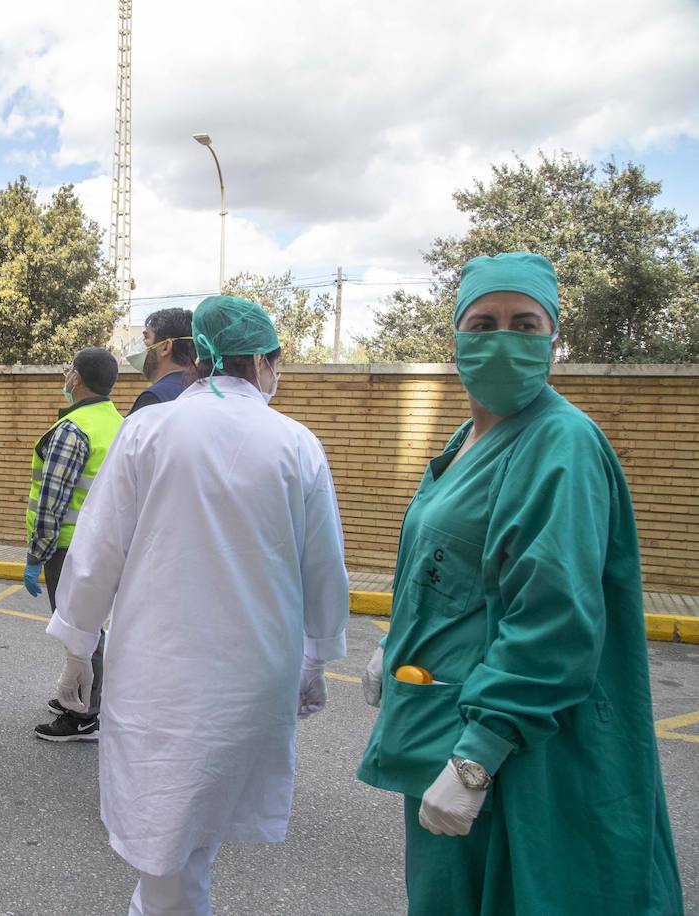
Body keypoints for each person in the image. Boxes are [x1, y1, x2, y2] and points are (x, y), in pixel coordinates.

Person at [356, 253, 683, 915]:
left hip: (515, 756)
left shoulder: (559, 443)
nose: (503, 337)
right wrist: (399, 643)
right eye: (483, 322)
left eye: (525, 323)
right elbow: (458, 570)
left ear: (552, 338)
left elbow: (555, 618)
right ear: (455, 337)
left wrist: (478, 757)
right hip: (440, 727)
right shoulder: (468, 440)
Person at [46, 296, 349, 916]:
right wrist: (316, 655)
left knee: (169, 829)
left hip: (160, 674)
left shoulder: (151, 431)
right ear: (264, 361)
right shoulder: (296, 444)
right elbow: (325, 568)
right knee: (190, 835)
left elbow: (96, 550)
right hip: (253, 675)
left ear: (200, 358)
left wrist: (77, 647)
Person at [23, 346, 123, 742]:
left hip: (69, 548)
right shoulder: (118, 423)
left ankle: (82, 714)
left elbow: (52, 500)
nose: (66, 377)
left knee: (79, 631)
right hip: (104, 544)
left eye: (69, 371)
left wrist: (35, 555)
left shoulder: (72, 429)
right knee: (92, 626)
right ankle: (88, 697)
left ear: (77, 378)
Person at [125, 307, 196, 414]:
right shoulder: (209, 390)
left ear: (165, 347)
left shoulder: (154, 399)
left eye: (146, 337)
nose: (141, 343)